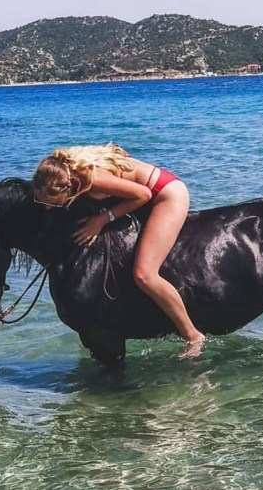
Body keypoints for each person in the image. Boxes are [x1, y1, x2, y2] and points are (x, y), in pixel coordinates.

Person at [32, 143, 205, 358]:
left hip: (165, 194)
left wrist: (103, 219)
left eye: (53, 203)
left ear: (68, 187)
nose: (48, 208)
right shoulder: (61, 169)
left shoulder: (93, 180)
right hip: (143, 196)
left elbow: (143, 194)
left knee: (144, 275)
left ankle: (193, 336)